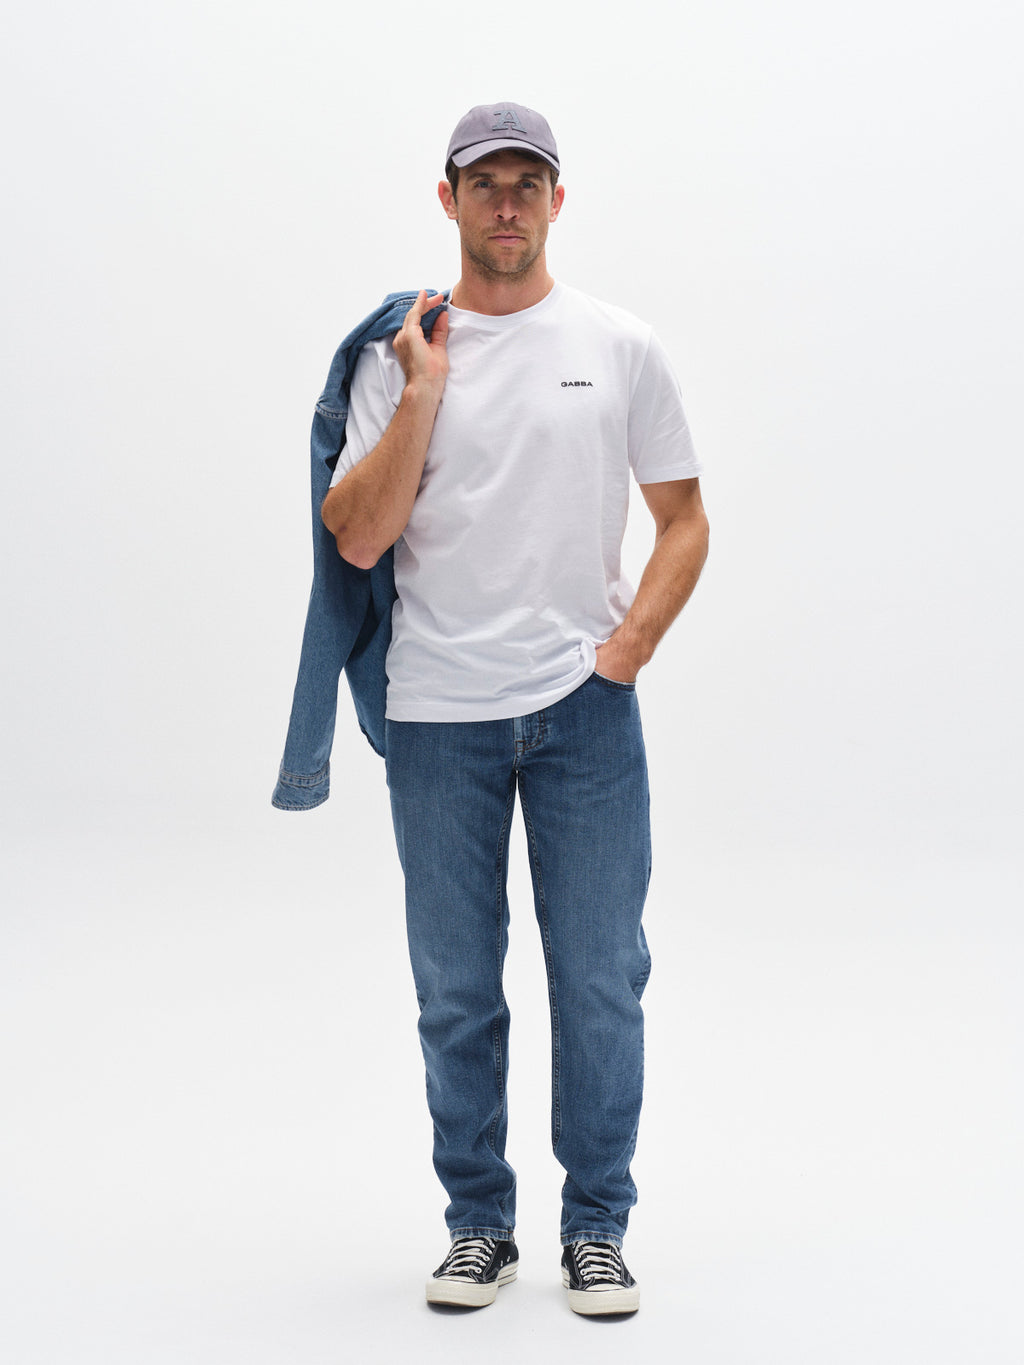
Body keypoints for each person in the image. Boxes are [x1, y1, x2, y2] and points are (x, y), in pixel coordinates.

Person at [320, 102, 709, 1315]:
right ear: (446, 199)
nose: (505, 203)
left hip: (583, 717)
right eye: (482, 183)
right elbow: (360, 531)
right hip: (438, 714)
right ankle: (478, 1224)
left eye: (524, 183)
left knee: (600, 977)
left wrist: (625, 652)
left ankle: (596, 1226)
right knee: (456, 987)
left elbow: (684, 517)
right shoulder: (402, 353)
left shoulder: (618, 343)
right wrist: (426, 391)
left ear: (555, 198)